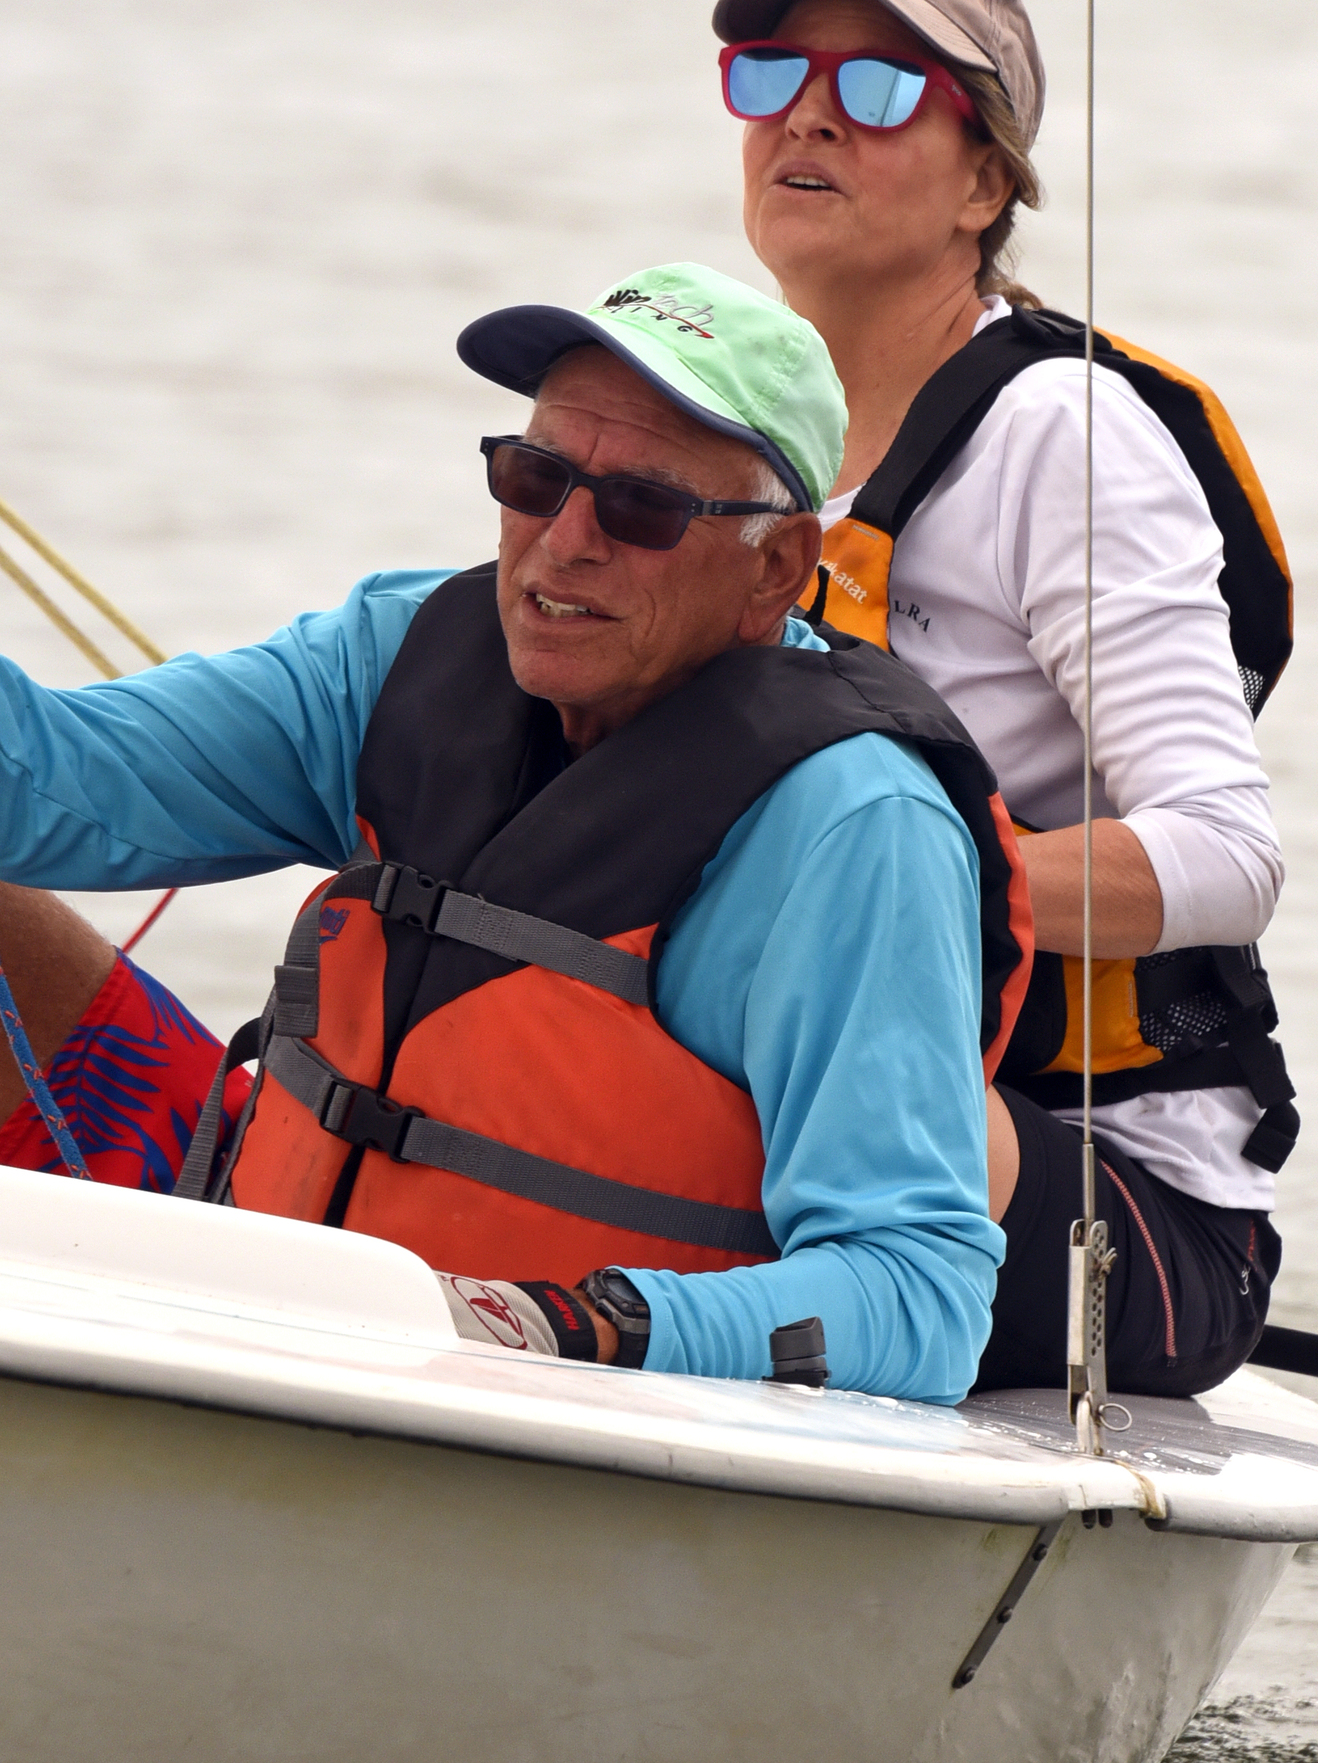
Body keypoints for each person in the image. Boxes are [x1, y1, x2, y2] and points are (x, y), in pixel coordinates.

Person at [0, 261, 1032, 1403]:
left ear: (777, 568)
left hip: (582, 1425)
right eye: (535, 476)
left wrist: (550, 1328)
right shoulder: (391, 660)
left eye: (642, 506)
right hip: (287, 1344)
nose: (565, 539)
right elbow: (44, 791)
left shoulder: (855, 827)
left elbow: (919, 1297)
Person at [712, 0, 1294, 1397]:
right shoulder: (733, 448)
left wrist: (882, 898)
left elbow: (1229, 853)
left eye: (884, 85)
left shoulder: (1062, 436)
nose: (809, 112)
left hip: (1124, 1203)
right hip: (824, 1101)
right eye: (771, 71)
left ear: (987, 186)